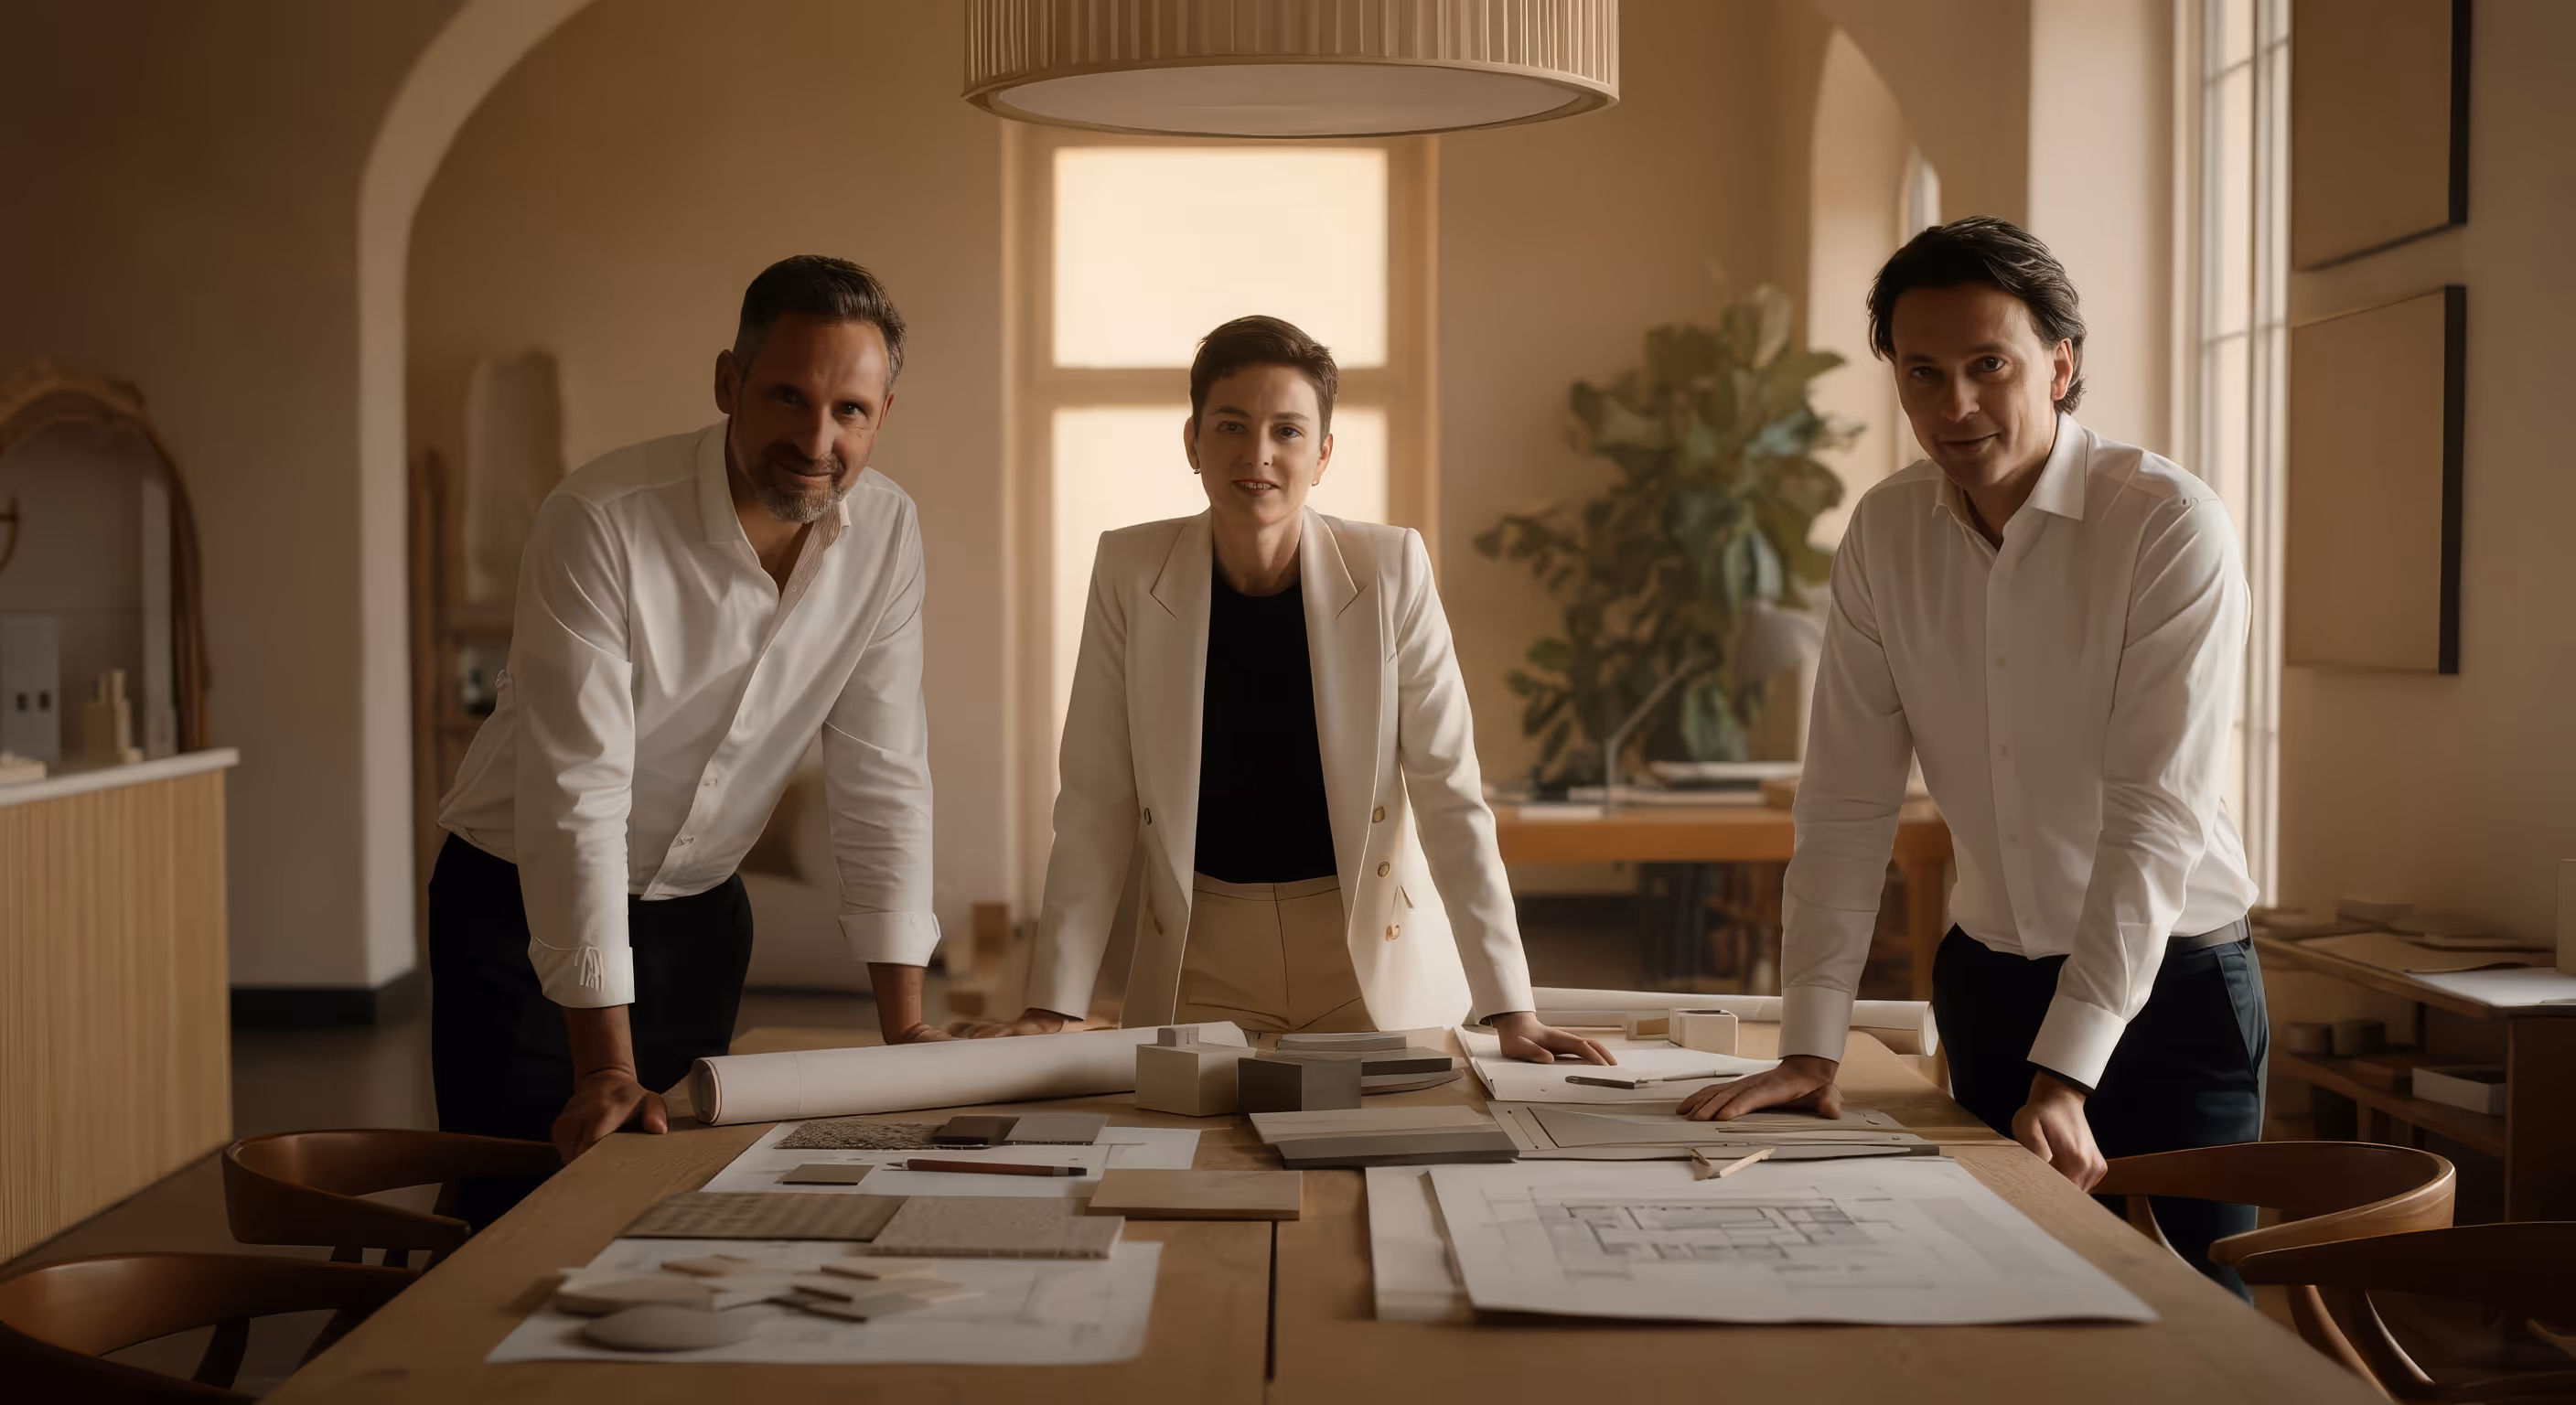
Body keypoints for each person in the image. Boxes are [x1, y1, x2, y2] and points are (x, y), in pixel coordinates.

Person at [1683, 219, 2266, 1295]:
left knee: (2192, 1327)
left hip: (2172, 994)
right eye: (1922, 374)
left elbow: (2154, 816)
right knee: (1991, 1298)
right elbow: (1845, 803)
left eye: (1986, 366)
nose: (1952, 406)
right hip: (1988, 985)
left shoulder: (2166, 525)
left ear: (2059, 361)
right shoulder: (1884, 532)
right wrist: (1810, 1044)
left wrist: (2068, 1071)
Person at [430, 255, 949, 1222]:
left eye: (850, 411)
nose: (815, 438)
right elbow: (574, 793)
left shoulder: (888, 534)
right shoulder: (599, 520)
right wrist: (605, 1069)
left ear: (884, 414)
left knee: (665, 1208)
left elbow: (883, 773)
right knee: (507, 1221)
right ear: (727, 384)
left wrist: (905, 1030)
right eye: (788, 397)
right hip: (515, 905)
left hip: (700, 919)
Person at [973, 316, 1606, 1063]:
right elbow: (1094, 801)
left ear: (1323, 453)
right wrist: (1051, 1007)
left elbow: (1449, 794)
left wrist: (1511, 1007)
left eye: (1288, 432)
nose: (1259, 456)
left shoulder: (1391, 568)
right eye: (1233, 427)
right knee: (1187, 1170)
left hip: (1366, 961)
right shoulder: (1129, 568)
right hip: (1199, 962)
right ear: (1193, 442)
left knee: (1383, 1166)